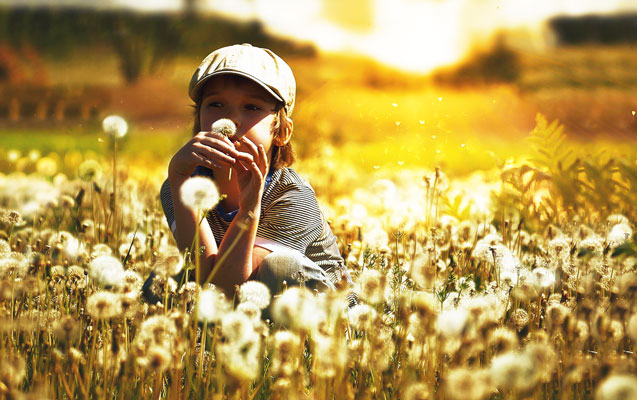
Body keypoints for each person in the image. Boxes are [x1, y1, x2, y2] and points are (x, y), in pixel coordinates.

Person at [154, 43, 352, 301]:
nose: (229, 119)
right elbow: (201, 273)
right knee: (162, 281)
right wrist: (180, 182)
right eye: (215, 104)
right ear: (198, 119)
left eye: (251, 107)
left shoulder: (292, 196)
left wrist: (249, 210)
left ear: (282, 131)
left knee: (279, 267)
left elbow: (228, 289)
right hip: (239, 306)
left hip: (324, 313)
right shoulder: (179, 184)